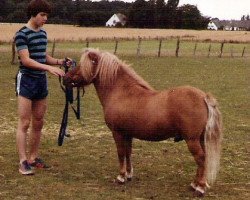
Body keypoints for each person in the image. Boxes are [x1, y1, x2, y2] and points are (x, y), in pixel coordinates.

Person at [15, 0, 67, 175]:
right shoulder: (21, 34)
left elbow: (43, 57)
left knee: (38, 122)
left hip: (40, 82)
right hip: (27, 81)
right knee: (24, 122)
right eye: (42, 15)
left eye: (47, 15)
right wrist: (49, 68)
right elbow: (26, 60)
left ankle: (33, 157)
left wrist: (60, 61)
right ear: (33, 14)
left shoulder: (43, 33)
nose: (45, 18)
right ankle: (23, 162)